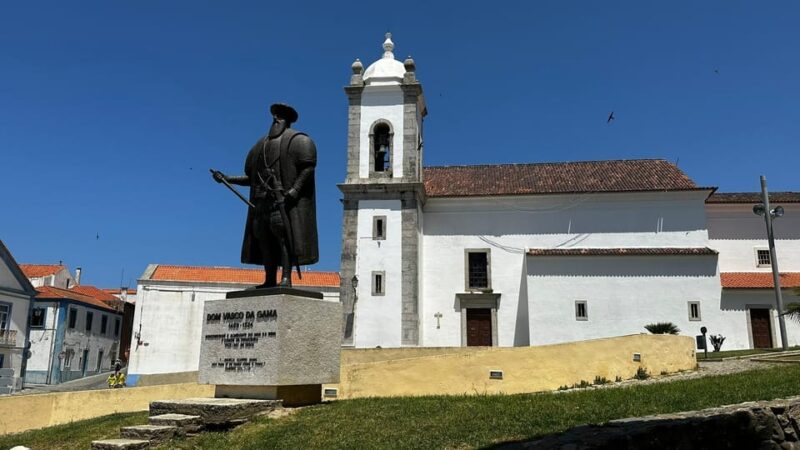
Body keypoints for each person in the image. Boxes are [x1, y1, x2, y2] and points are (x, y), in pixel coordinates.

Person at [212, 103, 319, 287]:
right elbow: (251, 178)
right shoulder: (259, 146)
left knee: (284, 240)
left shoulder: (298, 140)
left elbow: (308, 168)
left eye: (280, 116)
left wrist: (294, 191)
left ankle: (286, 278)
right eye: (274, 116)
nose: (276, 119)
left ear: (287, 120)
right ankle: (269, 279)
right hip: (261, 205)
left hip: (281, 202)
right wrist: (228, 178)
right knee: (265, 242)